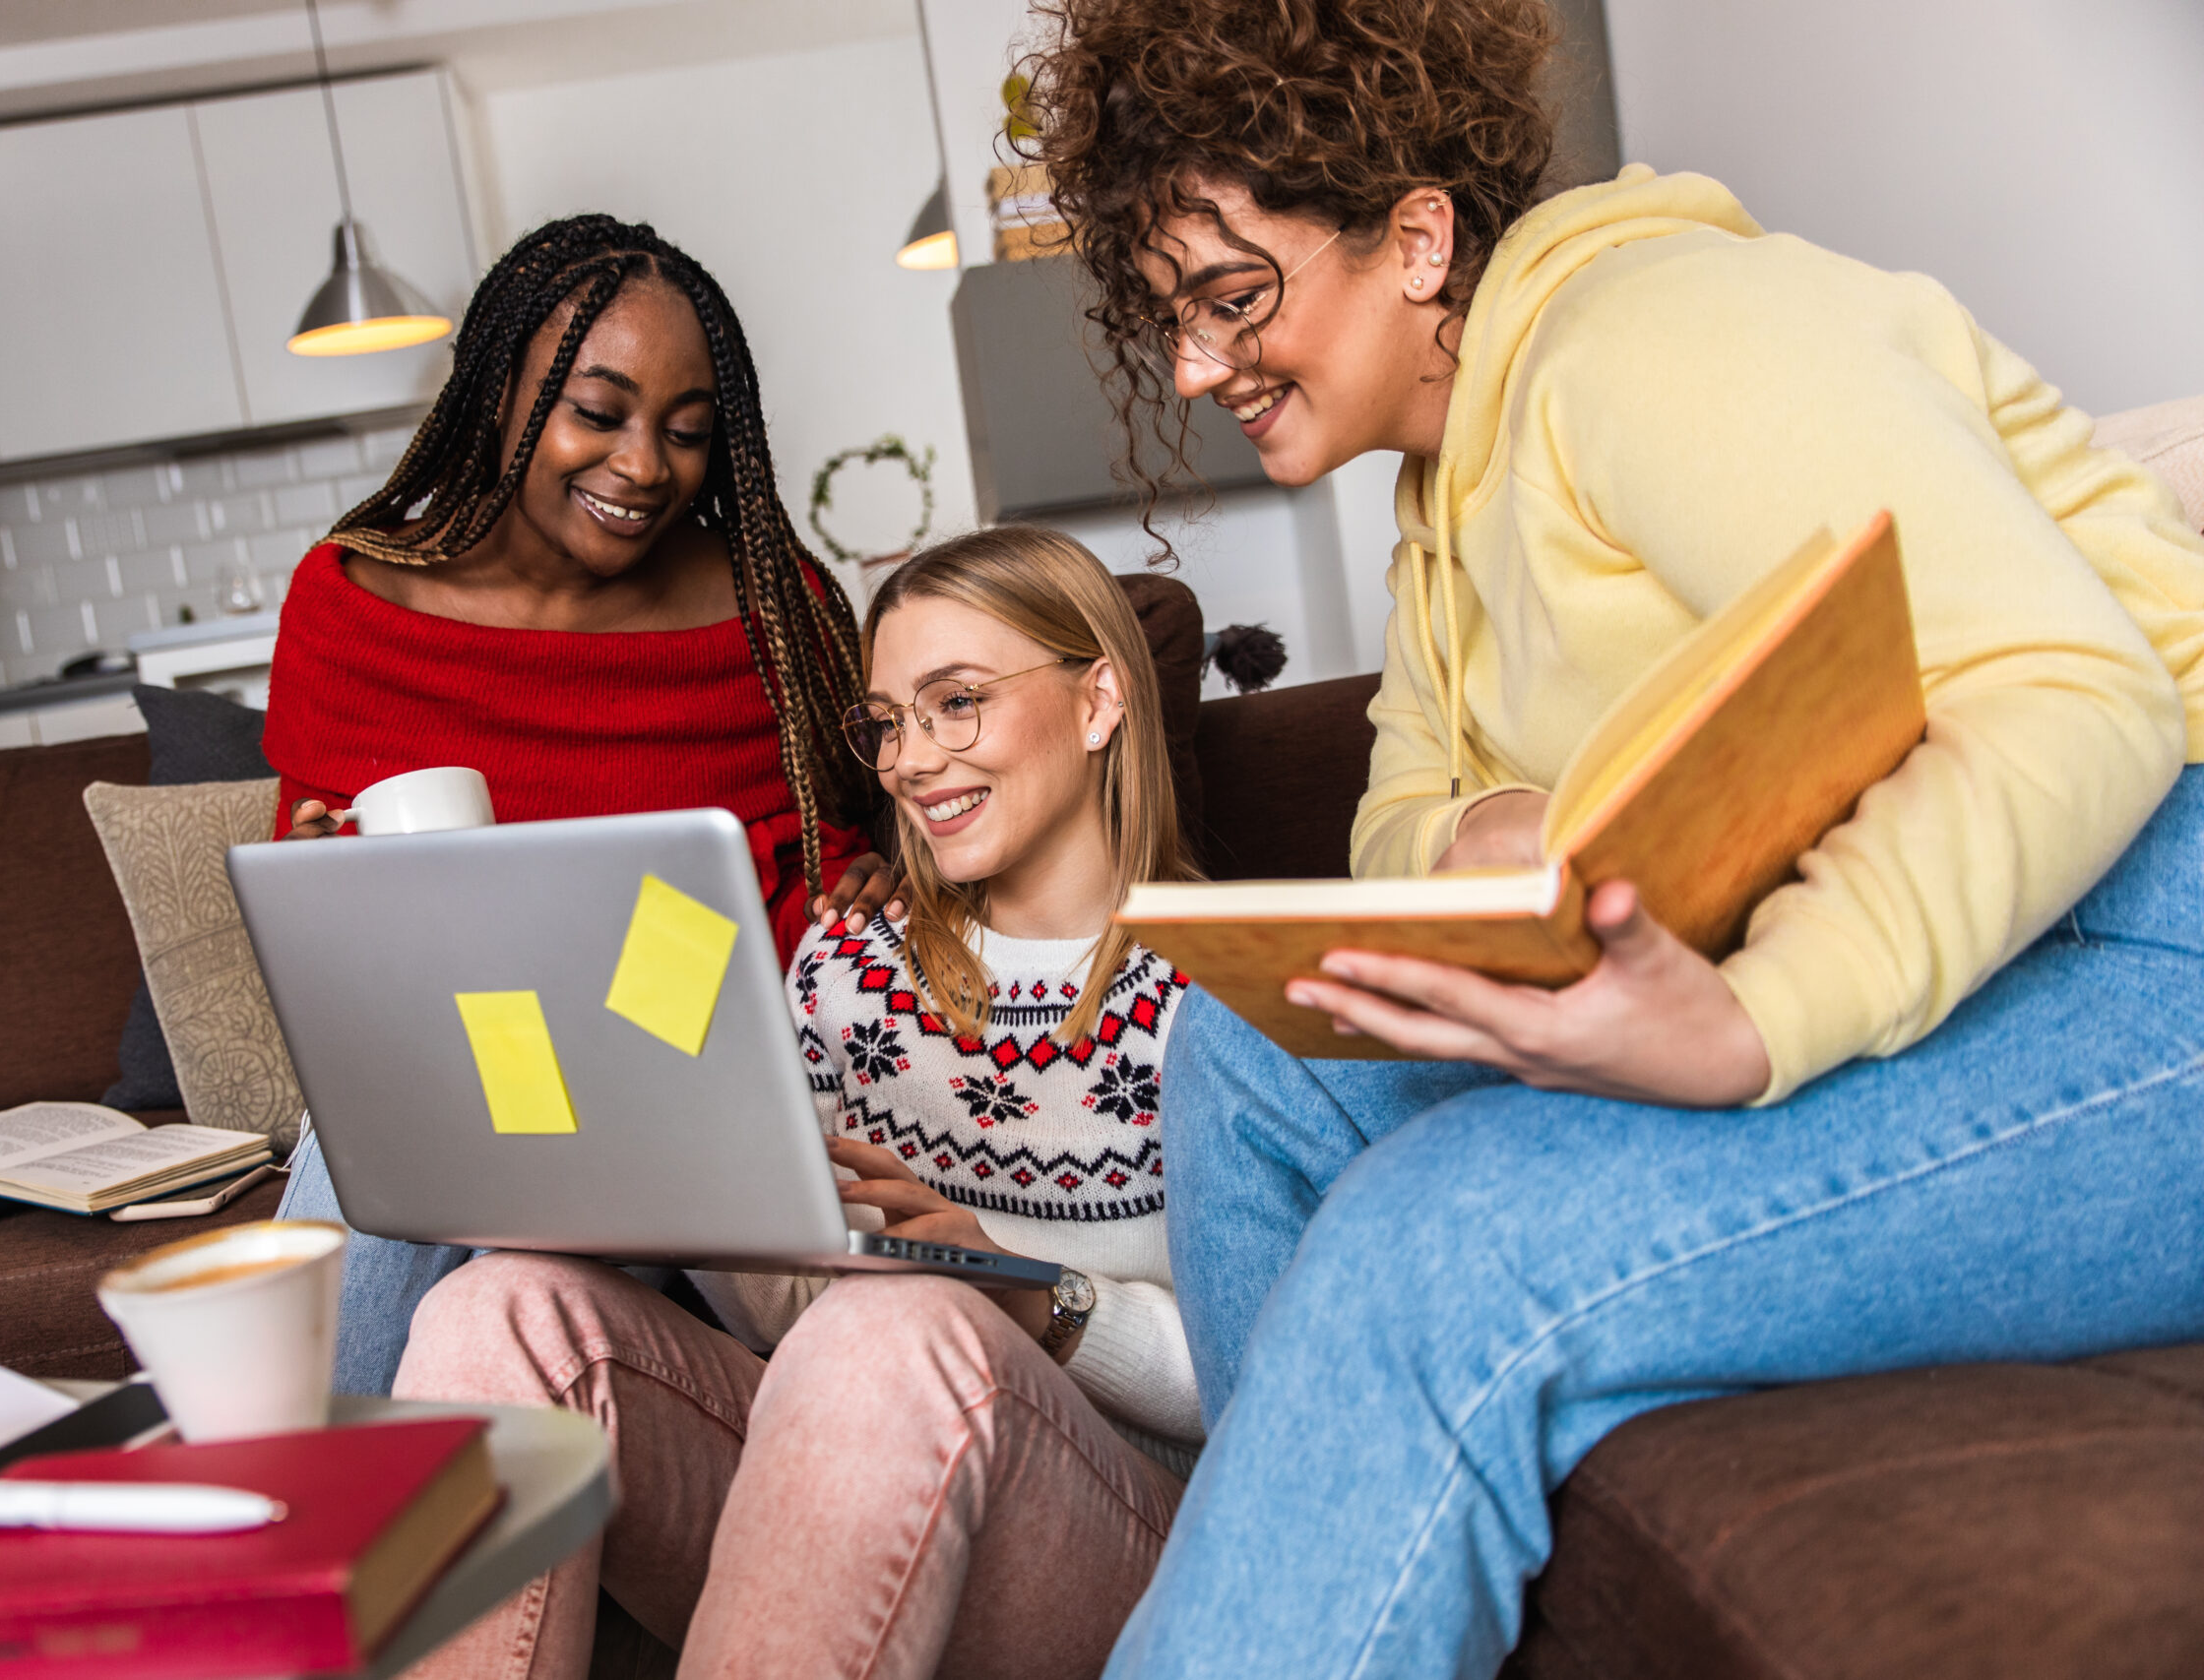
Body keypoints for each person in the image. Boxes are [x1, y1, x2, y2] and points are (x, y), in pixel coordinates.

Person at [1018, 2, 2204, 1676]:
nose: (1197, 369)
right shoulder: (1442, 496)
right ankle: (1332, 1577)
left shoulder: (1647, 335)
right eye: (1173, 319)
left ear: (1416, 240)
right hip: (2007, 933)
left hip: (2152, 936)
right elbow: (1399, 820)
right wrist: (1500, 822)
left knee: (1440, 1242)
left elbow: (2073, 686)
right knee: (1250, 1056)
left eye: (1232, 297)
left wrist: (1757, 1014)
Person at [392, 526, 1205, 1680]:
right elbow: (792, 1321)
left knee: (898, 1325)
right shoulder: (847, 968)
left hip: (1129, 1540)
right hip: (849, 1499)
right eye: (887, 723)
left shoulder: (1230, 989)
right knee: (497, 1309)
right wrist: (685, 1162)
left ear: (1098, 700)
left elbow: (1281, 1379)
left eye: (956, 703)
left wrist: (1037, 1300)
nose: (910, 761)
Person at [262, 215, 895, 1393]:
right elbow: (312, 897)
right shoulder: (353, 605)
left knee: (504, 1150)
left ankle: (327, 1477)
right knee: (423, 1119)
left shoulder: (772, 605)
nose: (646, 467)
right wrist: (318, 888)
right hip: (445, 1051)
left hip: (680, 1049)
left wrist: (870, 876)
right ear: (498, 390)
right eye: (598, 413)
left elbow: (852, 833)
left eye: (687, 432)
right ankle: (337, 1476)